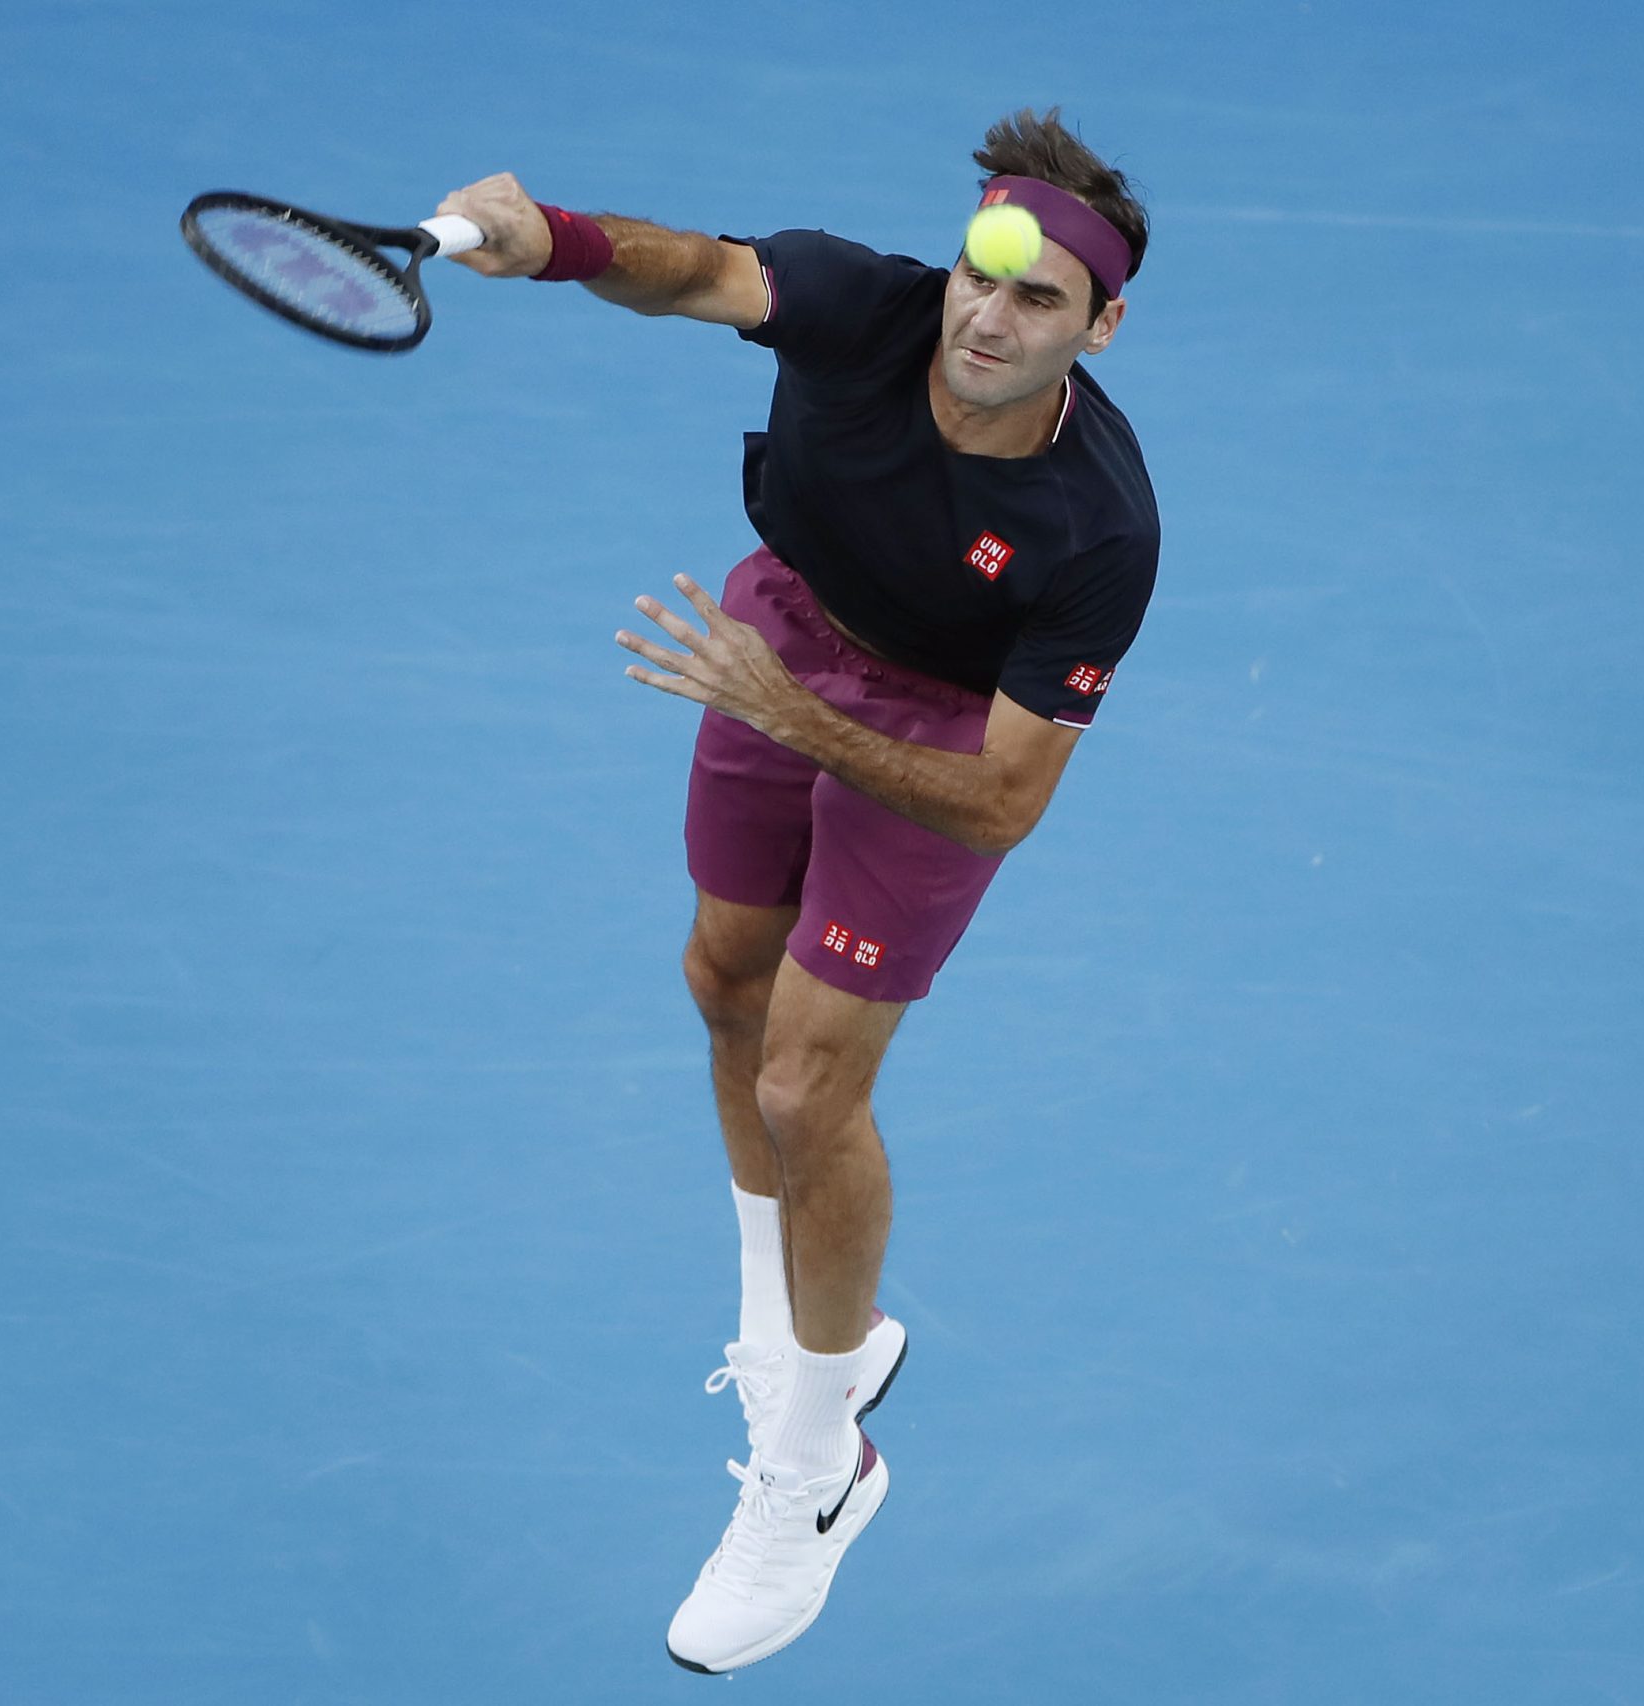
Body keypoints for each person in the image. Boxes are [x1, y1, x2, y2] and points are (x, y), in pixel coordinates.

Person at [436, 108, 1158, 1675]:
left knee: (807, 1087)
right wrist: (542, 236)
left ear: (1102, 325)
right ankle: (798, 1328)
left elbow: (1010, 799)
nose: (988, 315)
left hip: (937, 735)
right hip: (789, 630)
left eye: (1039, 301)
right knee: (720, 983)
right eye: (985, 276)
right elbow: (691, 270)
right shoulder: (861, 301)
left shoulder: (1099, 528)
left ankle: (818, 1468)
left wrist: (796, 719)